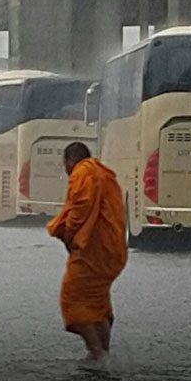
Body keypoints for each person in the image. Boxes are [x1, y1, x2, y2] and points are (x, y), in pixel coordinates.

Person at [46, 142, 128, 366]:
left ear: (69, 161)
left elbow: (80, 207)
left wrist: (70, 233)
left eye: (65, 164)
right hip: (113, 250)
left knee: (71, 299)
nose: (66, 170)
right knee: (97, 302)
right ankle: (104, 352)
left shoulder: (84, 172)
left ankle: (96, 353)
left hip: (94, 250)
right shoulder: (102, 173)